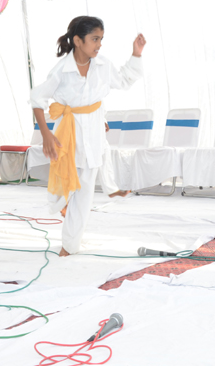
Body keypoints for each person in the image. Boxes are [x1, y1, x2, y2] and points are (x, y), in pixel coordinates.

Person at [31, 16, 146, 256]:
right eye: (95, 39)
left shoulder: (103, 65)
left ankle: (69, 245)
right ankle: (62, 203)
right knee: (62, 189)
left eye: (101, 39)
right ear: (78, 41)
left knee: (84, 192)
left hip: (93, 135)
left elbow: (124, 81)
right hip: (67, 135)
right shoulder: (61, 71)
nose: (99, 44)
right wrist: (46, 135)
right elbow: (37, 100)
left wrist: (136, 54)